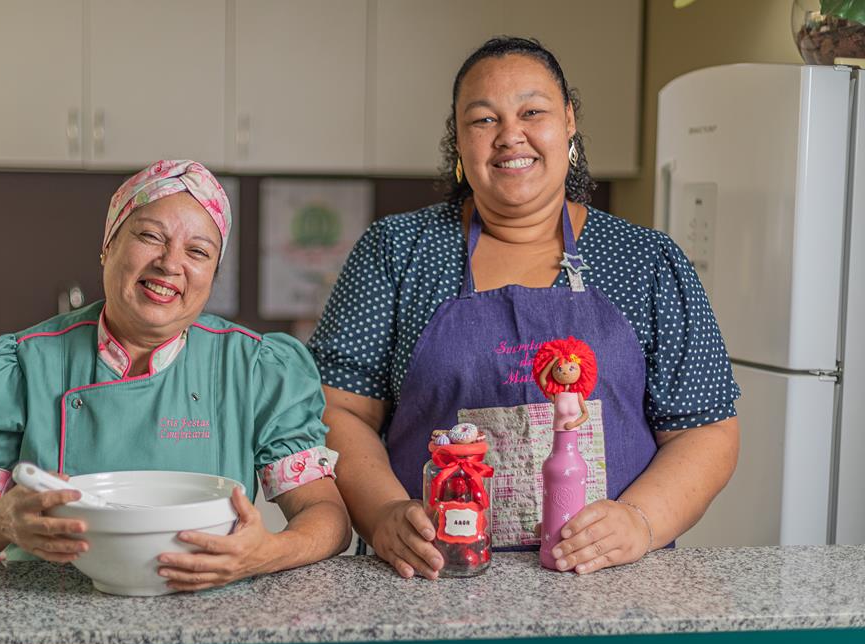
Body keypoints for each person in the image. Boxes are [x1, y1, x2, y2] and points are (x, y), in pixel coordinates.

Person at [308, 37, 740, 579]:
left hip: (609, 587)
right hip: (428, 581)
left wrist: (641, 521)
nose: (511, 134)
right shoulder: (397, 251)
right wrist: (383, 514)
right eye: (483, 120)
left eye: (532, 112)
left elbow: (706, 430)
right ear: (459, 141)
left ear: (568, 122)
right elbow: (336, 408)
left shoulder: (646, 261)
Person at [0, 160, 351, 592]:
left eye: (198, 252)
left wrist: (265, 555)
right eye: (150, 236)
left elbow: (327, 517)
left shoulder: (254, 370)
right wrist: (1, 522)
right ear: (107, 247)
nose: (170, 264)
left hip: (207, 614)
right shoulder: (22, 367)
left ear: (212, 277)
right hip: (49, 611)